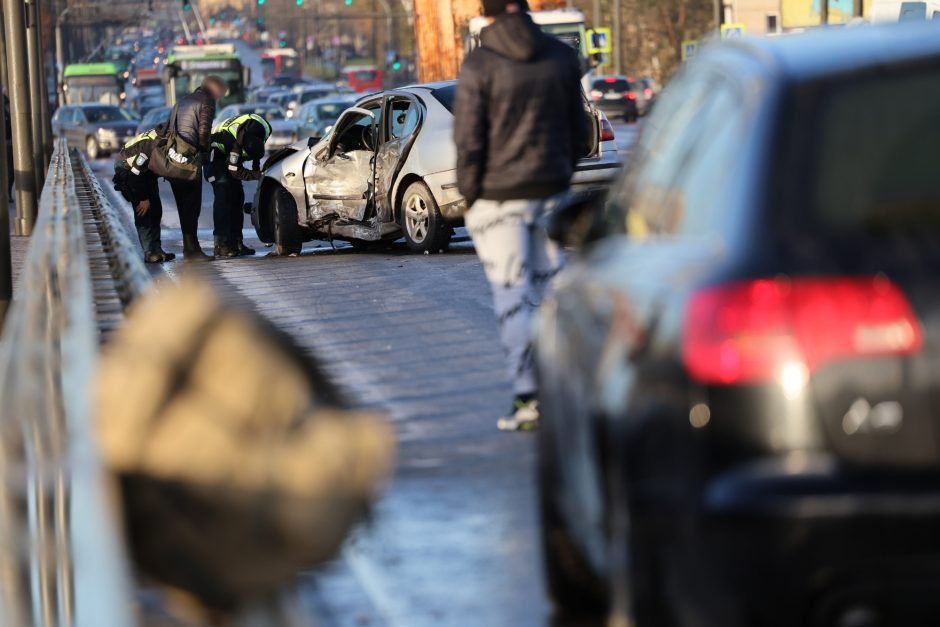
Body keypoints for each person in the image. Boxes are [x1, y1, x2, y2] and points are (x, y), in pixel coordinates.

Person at [454, 0, 589, 431]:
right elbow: (580, 131)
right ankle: (571, 390)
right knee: (554, 292)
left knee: (511, 294)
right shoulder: (561, 56)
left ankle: (529, 398)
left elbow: (469, 137)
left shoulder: (480, 62)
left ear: (487, 13)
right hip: (551, 189)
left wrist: (470, 193)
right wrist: (562, 172)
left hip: (496, 197)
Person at [169, 75, 228, 261]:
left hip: (173, 159)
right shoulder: (207, 101)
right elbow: (204, 133)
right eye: (221, 92)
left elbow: (171, 127)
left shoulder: (184, 100)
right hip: (190, 159)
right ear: (215, 89)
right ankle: (192, 251)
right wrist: (204, 154)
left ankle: (190, 248)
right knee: (192, 205)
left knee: (183, 206)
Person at [206, 113, 271, 257]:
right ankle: (221, 244)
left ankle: (236, 243)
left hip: (232, 156)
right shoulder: (233, 143)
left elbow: (257, 153)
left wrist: (256, 168)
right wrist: (257, 175)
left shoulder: (264, 128)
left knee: (237, 197)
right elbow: (235, 171)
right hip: (214, 158)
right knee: (224, 195)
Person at [112, 125, 175, 263]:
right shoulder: (149, 147)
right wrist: (143, 198)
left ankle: (157, 249)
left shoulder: (167, 137)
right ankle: (149, 252)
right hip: (128, 170)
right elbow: (135, 176)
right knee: (143, 211)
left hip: (145, 171)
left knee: (156, 209)